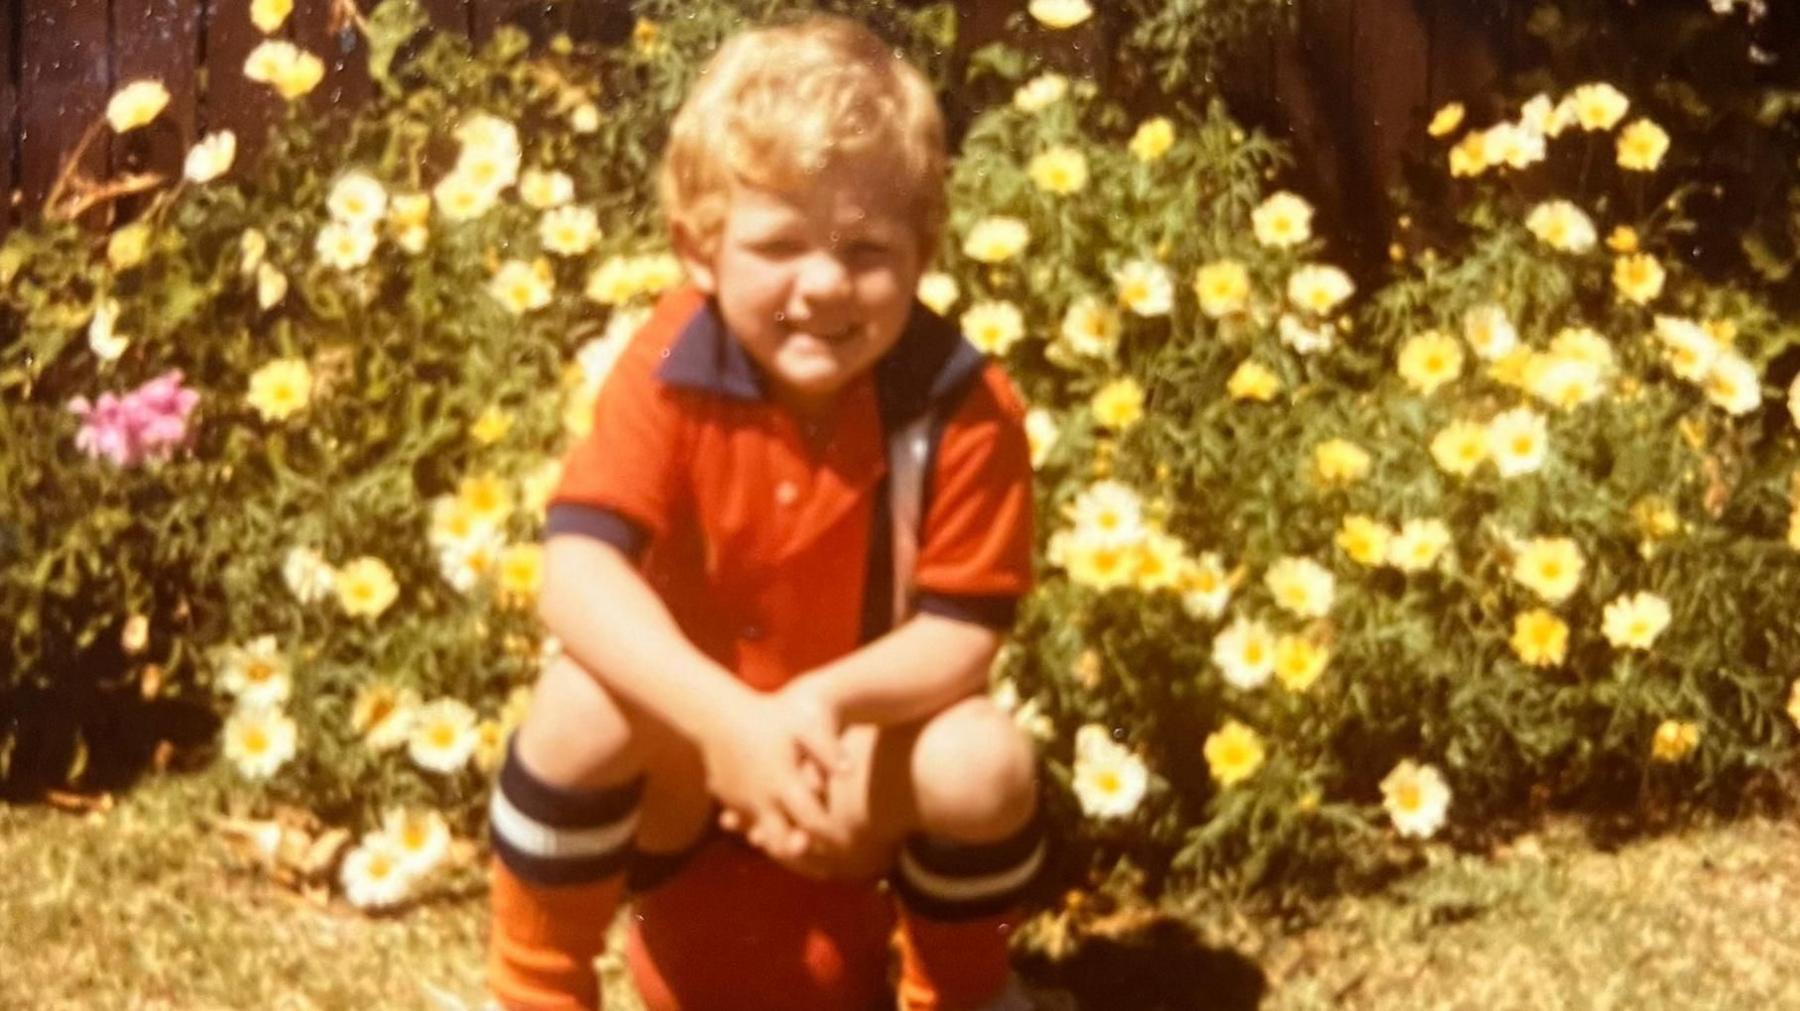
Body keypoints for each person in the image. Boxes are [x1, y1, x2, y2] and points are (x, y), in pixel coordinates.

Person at [486, 15, 1047, 1011]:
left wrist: (814, 708)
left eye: (866, 247)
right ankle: (535, 991)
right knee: (578, 707)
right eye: (779, 242)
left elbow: (964, 632)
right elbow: (575, 574)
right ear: (698, 251)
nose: (824, 282)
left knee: (982, 761)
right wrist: (729, 722)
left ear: (924, 250)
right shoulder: (672, 365)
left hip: (851, 775)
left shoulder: (960, 402)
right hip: (691, 774)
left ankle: (957, 993)